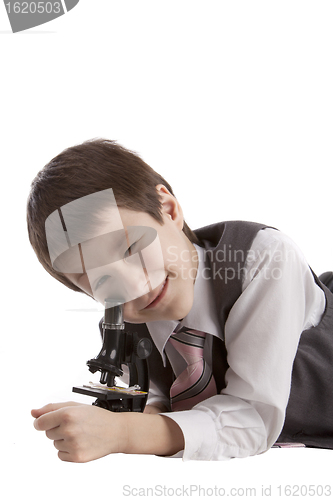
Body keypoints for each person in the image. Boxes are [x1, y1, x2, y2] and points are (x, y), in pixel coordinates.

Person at [27, 138, 333, 463]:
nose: (134, 285)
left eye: (130, 248)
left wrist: (123, 433)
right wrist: (114, 418)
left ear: (168, 209)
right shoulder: (125, 327)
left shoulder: (261, 259)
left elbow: (251, 417)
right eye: (102, 281)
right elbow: (161, 403)